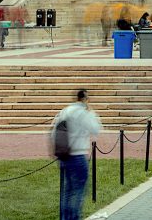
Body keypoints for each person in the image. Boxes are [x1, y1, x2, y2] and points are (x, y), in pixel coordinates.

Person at [52, 89, 102, 220]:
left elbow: (54, 131)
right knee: (78, 191)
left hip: (64, 155)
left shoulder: (66, 111)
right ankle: (74, 218)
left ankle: (65, 218)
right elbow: (95, 129)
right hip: (78, 155)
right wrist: (91, 112)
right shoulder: (83, 113)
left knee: (68, 191)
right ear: (86, 99)